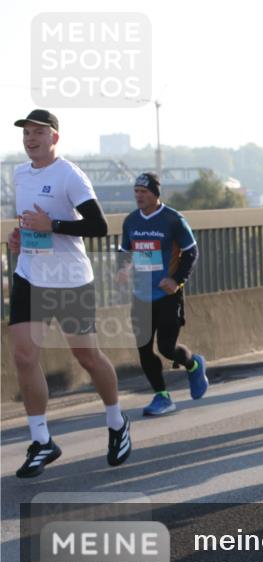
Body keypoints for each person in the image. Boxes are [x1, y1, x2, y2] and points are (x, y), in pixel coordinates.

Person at [8, 109, 133, 477]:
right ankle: (41, 439)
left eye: (38, 133)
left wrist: (53, 225)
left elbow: (99, 224)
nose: (31, 139)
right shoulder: (19, 174)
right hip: (30, 274)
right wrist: (21, 237)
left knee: (87, 357)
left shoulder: (69, 175)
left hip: (70, 279)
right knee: (24, 355)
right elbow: (30, 224)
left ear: (54, 139)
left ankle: (116, 421)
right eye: (27, 133)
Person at [117, 173, 209, 415]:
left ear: (156, 195)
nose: (139, 196)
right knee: (144, 349)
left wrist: (177, 280)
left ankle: (193, 364)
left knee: (167, 348)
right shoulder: (131, 221)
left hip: (167, 294)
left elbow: (191, 253)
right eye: (136, 191)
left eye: (144, 192)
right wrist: (122, 270)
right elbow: (125, 252)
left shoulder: (173, 220)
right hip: (140, 295)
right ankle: (162, 396)